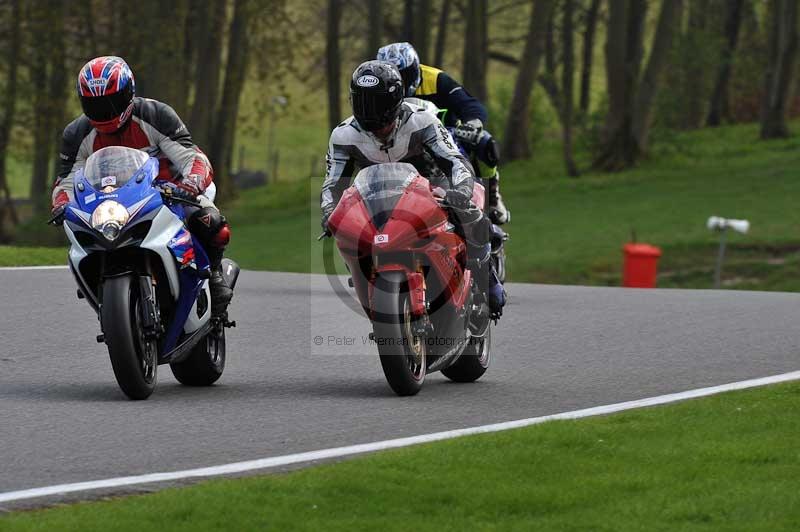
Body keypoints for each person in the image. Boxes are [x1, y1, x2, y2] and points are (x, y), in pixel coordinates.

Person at [51, 56, 233, 316]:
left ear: (129, 93)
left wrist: (190, 185)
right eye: (95, 104)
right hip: (110, 203)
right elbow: (67, 179)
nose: (105, 110)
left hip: (168, 192)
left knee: (209, 220)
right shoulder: (76, 133)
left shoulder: (155, 115)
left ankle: (214, 275)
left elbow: (191, 157)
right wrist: (60, 203)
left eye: (111, 101)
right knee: (79, 236)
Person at [320, 61, 505, 316]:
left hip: (433, 189)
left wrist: (460, 192)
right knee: (345, 231)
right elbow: (333, 184)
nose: (369, 111)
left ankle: (488, 279)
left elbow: (455, 161)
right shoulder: (343, 135)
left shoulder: (421, 121)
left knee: (472, 212)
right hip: (377, 200)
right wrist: (329, 211)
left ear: (395, 99)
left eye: (377, 103)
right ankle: (366, 278)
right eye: (362, 102)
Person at [377, 42, 509, 225]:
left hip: (447, 134)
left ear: (415, 69)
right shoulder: (379, 91)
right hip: (400, 141)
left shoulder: (436, 78)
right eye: (393, 77)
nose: (400, 81)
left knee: (484, 141)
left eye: (404, 74)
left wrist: (472, 125)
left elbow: (470, 105)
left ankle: (493, 195)